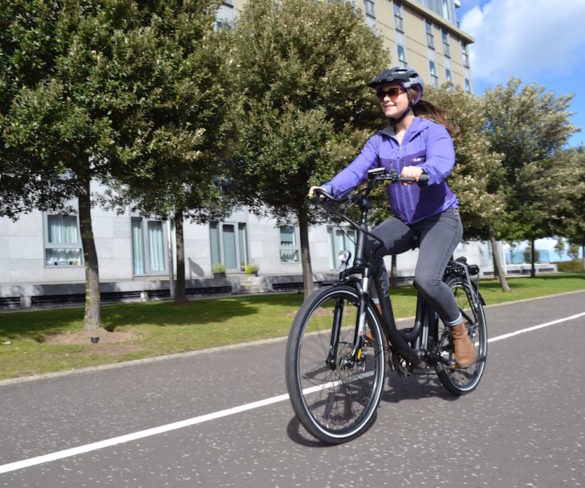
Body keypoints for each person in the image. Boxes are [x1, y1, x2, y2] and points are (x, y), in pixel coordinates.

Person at [309, 66, 475, 367]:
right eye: (381, 94)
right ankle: (380, 319)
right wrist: (330, 189)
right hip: (405, 220)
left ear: (411, 95)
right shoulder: (379, 141)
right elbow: (356, 170)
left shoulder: (431, 132)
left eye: (392, 91)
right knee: (367, 246)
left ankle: (458, 330)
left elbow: (442, 161)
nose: (385, 98)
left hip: (440, 217)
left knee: (426, 278)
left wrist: (424, 171)